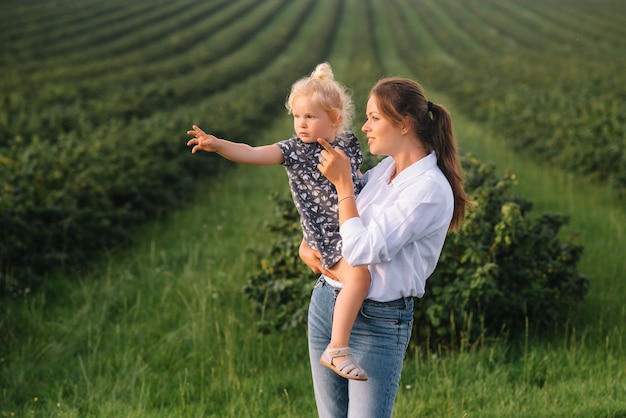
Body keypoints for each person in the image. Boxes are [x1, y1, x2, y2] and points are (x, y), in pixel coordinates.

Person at [186, 63, 371, 381]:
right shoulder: (294, 150)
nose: (301, 124)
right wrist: (218, 145)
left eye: (310, 117)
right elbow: (252, 152)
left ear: (334, 119)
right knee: (359, 278)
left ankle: (346, 339)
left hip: (349, 222)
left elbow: (357, 182)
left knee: (360, 276)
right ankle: (337, 348)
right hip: (325, 232)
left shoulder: (348, 144)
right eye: (297, 116)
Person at [299, 77, 470, 417]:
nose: (364, 127)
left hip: (378, 319)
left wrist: (344, 182)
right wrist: (309, 244)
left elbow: (361, 249)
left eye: (374, 117)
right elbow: (343, 222)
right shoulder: (385, 172)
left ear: (404, 123)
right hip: (326, 303)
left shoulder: (428, 190)